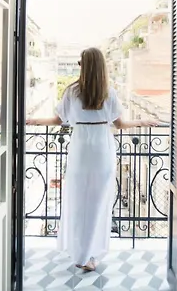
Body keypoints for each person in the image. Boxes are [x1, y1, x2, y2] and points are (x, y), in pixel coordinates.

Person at [27, 47, 157, 271]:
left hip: (80, 149)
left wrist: (33, 120)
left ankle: (81, 253)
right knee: (98, 204)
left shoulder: (72, 92)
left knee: (79, 202)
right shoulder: (109, 93)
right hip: (102, 150)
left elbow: (57, 120)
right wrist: (142, 122)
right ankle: (89, 254)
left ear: (85, 67)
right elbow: (120, 125)